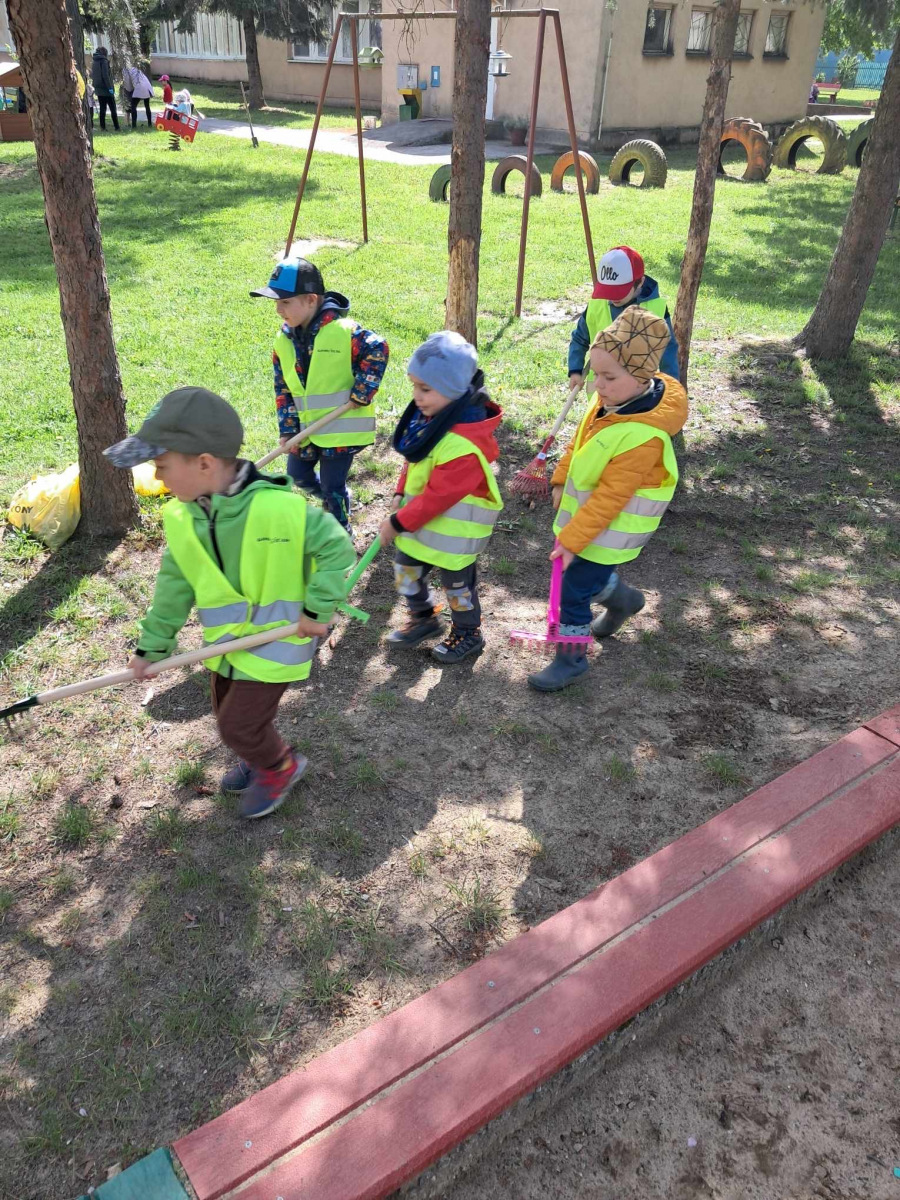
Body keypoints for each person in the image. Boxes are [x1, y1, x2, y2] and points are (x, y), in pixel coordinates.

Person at [103, 386, 356, 819]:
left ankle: (279, 765)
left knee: (237, 724)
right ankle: (257, 751)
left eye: (161, 466)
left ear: (204, 463)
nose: (158, 478)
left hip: (277, 641)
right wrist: (152, 646)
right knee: (227, 713)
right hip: (227, 644)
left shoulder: (280, 510)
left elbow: (336, 547)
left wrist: (318, 608)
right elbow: (173, 587)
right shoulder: (184, 518)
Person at [529, 306, 688, 692]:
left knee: (573, 589)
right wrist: (561, 476)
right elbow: (580, 438)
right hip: (590, 525)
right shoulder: (610, 401)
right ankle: (623, 600)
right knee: (587, 580)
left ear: (641, 377)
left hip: (609, 530)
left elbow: (611, 497)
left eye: (609, 376)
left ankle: (571, 659)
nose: (597, 384)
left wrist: (571, 541)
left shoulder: (643, 437)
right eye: (596, 373)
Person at [377, 332, 503, 665]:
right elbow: (415, 456)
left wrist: (398, 521)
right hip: (423, 525)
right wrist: (400, 491)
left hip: (455, 534)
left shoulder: (463, 446)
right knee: (405, 569)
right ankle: (424, 617)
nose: (416, 397)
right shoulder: (435, 419)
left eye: (425, 389)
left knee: (457, 587)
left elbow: (438, 497)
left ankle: (468, 632)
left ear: (453, 390)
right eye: (414, 387)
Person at [251, 256, 389, 534]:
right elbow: (284, 389)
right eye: (276, 302)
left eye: (285, 301)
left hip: (340, 429)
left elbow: (378, 349)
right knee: (298, 475)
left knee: (332, 483)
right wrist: (288, 429)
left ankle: (340, 534)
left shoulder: (344, 332)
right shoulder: (283, 342)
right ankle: (334, 500)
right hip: (307, 429)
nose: (278, 309)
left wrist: (362, 391)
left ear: (311, 299)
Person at [567, 245, 679, 389]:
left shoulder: (656, 309)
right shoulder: (596, 306)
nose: (613, 297)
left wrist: (670, 387)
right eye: (608, 290)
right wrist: (575, 370)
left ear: (640, 282)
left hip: (637, 394)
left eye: (619, 291)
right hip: (601, 394)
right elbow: (579, 339)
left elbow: (668, 350)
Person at [91, 46, 119, 131]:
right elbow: (105, 76)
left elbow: (93, 75)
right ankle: (117, 127)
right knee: (113, 108)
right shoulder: (104, 61)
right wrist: (110, 88)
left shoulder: (94, 62)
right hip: (106, 89)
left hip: (98, 89)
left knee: (102, 109)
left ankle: (102, 127)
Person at [123, 60, 154, 127]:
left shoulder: (126, 70)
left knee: (133, 106)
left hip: (139, 87)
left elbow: (128, 84)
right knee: (147, 106)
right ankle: (149, 124)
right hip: (147, 87)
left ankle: (134, 125)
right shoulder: (136, 69)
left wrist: (129, 91)